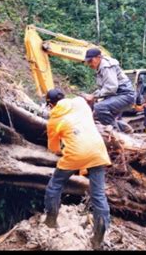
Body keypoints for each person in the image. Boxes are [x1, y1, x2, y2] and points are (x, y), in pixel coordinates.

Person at [44, 88, 112, 249]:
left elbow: (53, 148)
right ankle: (99, 231)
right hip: (98, 150)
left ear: (50, 104)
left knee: (55, 185)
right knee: (98, 195)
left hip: (76, 154)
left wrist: (62, 147)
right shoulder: (80, 103)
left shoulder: (53, 119)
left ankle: (51, 220)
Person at [81, 48, 135, 133]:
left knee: (99, 107)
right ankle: (123, 127)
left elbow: (111, 87)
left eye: (91, 61)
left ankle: (116, 134)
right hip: (117, 95)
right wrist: (93, 96)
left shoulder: (106, 67)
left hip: (125, 95)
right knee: (96, 115)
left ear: (98, 57)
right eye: (88, 62)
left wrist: (93, 96)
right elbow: (103, 88)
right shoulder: (100, 68)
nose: (89, 64)